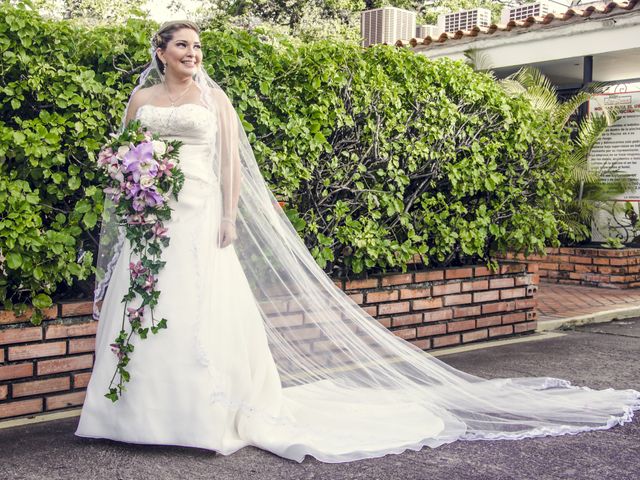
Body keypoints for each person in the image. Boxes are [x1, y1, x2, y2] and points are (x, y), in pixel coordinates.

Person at [75, 20, 640, 463]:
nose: (193, 55)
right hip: (151, 219)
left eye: (198, 47)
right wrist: (132, 195)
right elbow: (127, 158)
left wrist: (229, 217)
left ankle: (200, 415)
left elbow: (230, 166)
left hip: (200, 215)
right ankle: (127, 413)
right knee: (145, 302)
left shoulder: (212, 101)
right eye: (183, 47)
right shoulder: (142, 102)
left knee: (197, 307)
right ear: (162, 51)